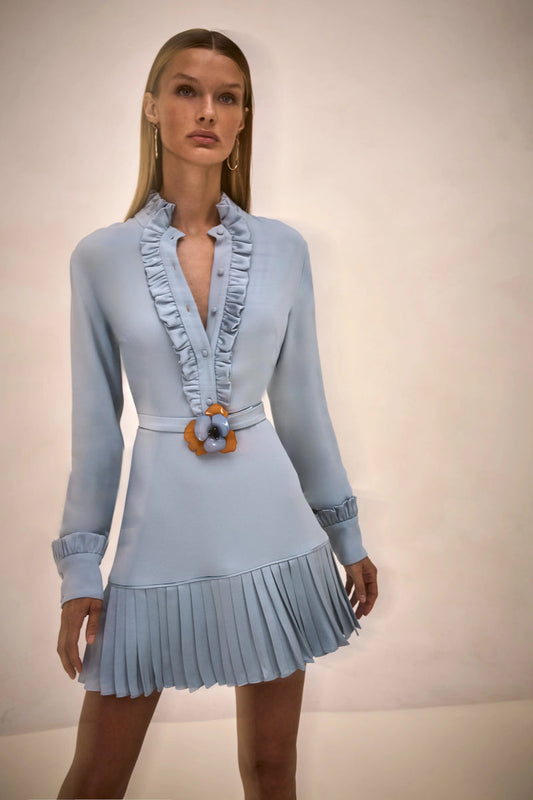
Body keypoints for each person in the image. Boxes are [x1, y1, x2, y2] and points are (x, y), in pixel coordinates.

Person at [52, 28, 378, 800]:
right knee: (96, 779)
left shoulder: (284, 249)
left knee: (272, 771)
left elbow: (301, 405)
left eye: (226, 97)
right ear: (151, 107)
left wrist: (346, 533)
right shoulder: (99, 257)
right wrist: (79, 569)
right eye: (186, 90)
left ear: (241, 120)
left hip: (276, 535)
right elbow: (96, 429)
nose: (207, 110)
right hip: (158, 536)